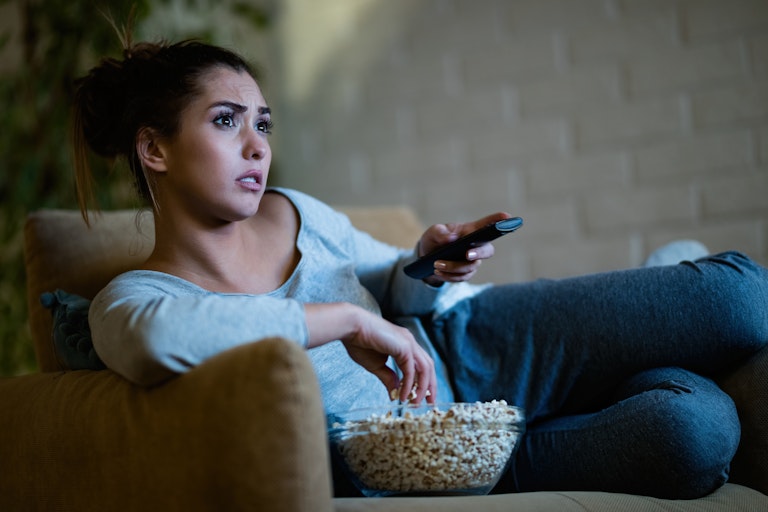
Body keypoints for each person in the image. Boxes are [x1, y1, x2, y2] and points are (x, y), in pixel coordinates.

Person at [72, 39, 768, 500]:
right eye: (227, 122)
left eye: (264, 123)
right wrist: (343, 319)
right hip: (442, 465)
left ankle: (668, 286)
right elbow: (167, 339)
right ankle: (645, 336)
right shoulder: (135, 302)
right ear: (154, 149)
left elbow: (394, 288)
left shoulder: (296, 211)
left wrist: (426, 266)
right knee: (695, 436)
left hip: (474, 344)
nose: (257, 146)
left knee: (742, 300)